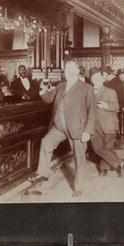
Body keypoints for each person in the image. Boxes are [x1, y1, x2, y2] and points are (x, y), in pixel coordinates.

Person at [30, 60, 96, 197]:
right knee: (46, 142)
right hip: (59, 127)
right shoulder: (61, 86)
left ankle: (79, 187)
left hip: (78, 129)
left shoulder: (86, 88)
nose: (68, 71)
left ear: (78, 71)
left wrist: (88, 131)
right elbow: (48, 99)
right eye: (66, 69)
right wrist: (43, 90)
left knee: (79, 157)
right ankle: (43, 175)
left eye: (71, 69)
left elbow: (92, 111)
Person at [90, 70, 124, 176]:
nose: (96, 80)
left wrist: (107, 106)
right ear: (92, 80)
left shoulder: (110, 91)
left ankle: (103, 168)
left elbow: (117, 107)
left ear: (102, 80)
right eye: (94, 79)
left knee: (107, 147)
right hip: (94, 125)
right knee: (97, 148)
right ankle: (119, 162)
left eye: (98, 78)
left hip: (108, 124)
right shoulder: (89, 91)